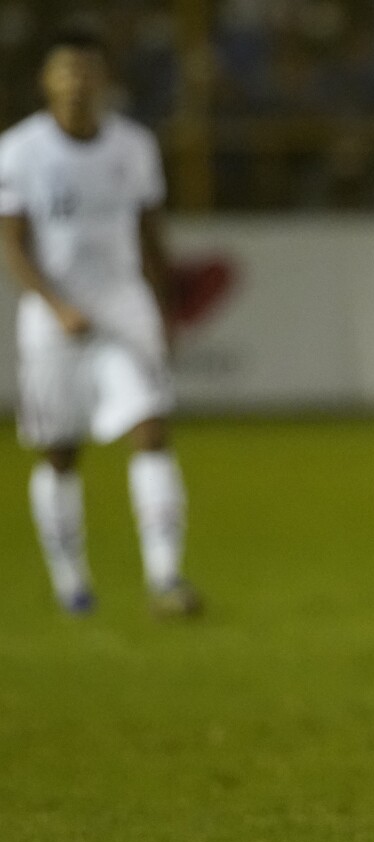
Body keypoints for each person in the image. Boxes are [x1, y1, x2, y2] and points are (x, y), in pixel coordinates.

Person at [0, 26, 199, 617]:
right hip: (52, 317)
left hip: (122, 306)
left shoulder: (133, 146)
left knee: (151, 428)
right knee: (60, 451)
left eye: (89, 71)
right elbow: (12, 244)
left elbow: (150, 232)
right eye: (67, 71)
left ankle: (165, 577)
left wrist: (165, 308)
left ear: (105, 80)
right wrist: (55, 304)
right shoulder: (19, 151)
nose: (79, 82)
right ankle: (72, 585)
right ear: (47, 80)